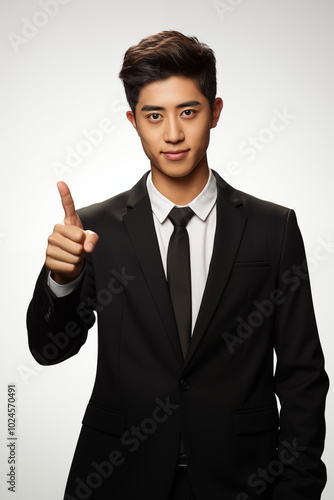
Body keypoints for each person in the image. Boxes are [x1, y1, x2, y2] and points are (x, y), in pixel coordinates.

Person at [27, 31, 329, 500]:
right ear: (133, 122)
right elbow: (48, 352)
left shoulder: (274, 228)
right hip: (117, 479)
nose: (172, 134)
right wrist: (62, 282)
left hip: (245, 480)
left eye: (188, 111)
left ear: (216, 112)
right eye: (154, 115)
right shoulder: (92, 228)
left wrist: (299, 488)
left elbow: (302, 373)